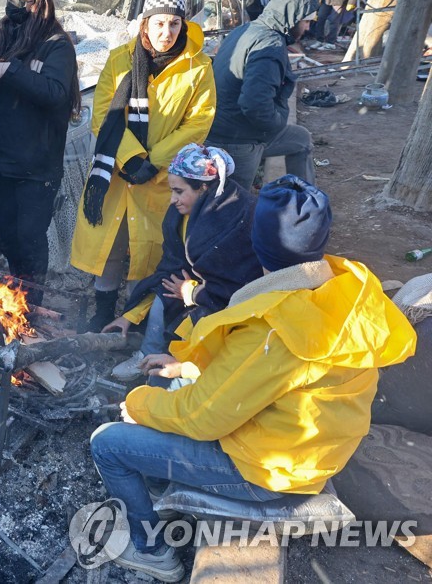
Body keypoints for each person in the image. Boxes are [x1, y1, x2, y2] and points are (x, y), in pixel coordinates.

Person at [89, 175, 416, 582]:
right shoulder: (337, 295)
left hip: (269, 471)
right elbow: (265, 379)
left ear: (258, 245)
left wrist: (137, 404)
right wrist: (188, 367)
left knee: (108, 442)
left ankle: (150, 549)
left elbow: (203, 418)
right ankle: (163, 493)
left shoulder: (277, 330)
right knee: (173, 386)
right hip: (312, 450)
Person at [70, 0, 216, 331]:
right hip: (119, 172)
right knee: (112, 246)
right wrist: (133, 159)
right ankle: (102, 311)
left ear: (183, 25)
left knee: (149, 252)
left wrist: (154, 161)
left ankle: (132, 319)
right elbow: (103, 116)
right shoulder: (121, 59)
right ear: (145, 23)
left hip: (163, 178)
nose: (166, 32)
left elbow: (198, 123)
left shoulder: (199, 68)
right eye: (159, 23)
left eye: (174, 23)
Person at [102, 144, 262, 381]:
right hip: (194, 290)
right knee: (163, 295)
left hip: (232, 307)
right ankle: (149, 355)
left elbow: (240, 286)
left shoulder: (237, 219)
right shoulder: (180, 215)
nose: (173, 200)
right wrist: (131, 316)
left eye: (178, 191)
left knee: (193, 319)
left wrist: (194, 293)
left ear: (204, 187)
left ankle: (186, 369)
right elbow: (171, 267)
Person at [0, 0, 79, 296]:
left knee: (30, 237)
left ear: (41, 1)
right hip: (1, 161)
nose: (15, 1)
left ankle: (31, 304)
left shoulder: (56, 44)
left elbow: (56, 94)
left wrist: (11, 70)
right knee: (8, 235)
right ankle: (16, 302)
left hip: (38, 165)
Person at [206, 0, 318, 192]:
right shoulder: (270, 45)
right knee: (233, 207)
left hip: (220, 127)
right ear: (293, 16)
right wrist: (275, 125)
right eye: (306, 21)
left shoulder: (246, 29)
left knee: (301, 138)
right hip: (237, 140)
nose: (307, 28)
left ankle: (304, 200)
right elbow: (254, 104)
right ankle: (300, 209)